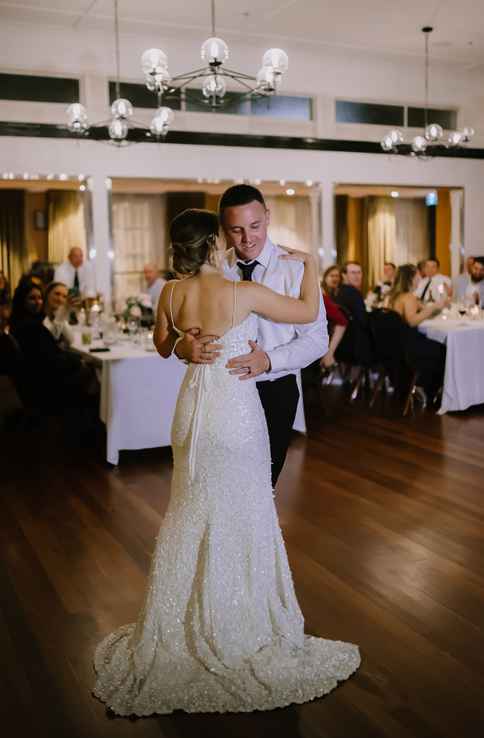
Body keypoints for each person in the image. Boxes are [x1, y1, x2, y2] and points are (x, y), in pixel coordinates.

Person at [93, 208, 359, 716]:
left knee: (190, 507)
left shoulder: (171, 292)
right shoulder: (241, 293)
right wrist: (310, 265)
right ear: (216, 243)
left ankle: (183, 619)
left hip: (192, 411)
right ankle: (241, 618)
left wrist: (184, 343)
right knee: (247, 507)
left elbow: (162, 345)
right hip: (235, 411)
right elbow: (307, 316)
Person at [169, 185, 328, 488]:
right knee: (215, 486)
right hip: (220, 396)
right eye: (236, 230)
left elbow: (318, 339)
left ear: (267, 217)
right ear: (222, 230)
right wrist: (182, 346)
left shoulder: (296, 270)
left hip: (275, 391)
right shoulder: (212, 267)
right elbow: (180, 325)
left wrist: (269, 360)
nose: (247, 238)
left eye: (255, 226)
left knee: (260, 490)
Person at [386, 264, 447, 400]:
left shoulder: (395, 296)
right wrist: (432, 308)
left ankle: (424, 386)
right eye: (418, 275)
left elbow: (421, 309)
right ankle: (429, 389)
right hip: (409, 348)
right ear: (412, 278)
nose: (421, 277)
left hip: (396, 346)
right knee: (443, 349)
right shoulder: (408, 297)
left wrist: (432, 307)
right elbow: (412, 321)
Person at [333, 260, 372, 365]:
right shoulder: (353, 293)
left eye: (359, 272)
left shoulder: (340, 291)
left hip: (343, 343)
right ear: (344, 275)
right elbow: (364, 321)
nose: (357, 276)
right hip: (355, 346)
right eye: (353, 273)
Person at [321, 266, 348, 369]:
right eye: (332, 276)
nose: (335, 279)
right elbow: (342, 320)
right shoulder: (322, 293)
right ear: (325, 277)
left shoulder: (335, 293)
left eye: (337, 276)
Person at [43, 281, 75, 347]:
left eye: (64, 297)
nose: (60, 299)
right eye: (57, 294)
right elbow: (50, 339)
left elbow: (71, 339)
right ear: (47, 294)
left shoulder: (57, 315)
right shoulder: (40, 316)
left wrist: (63, 312)